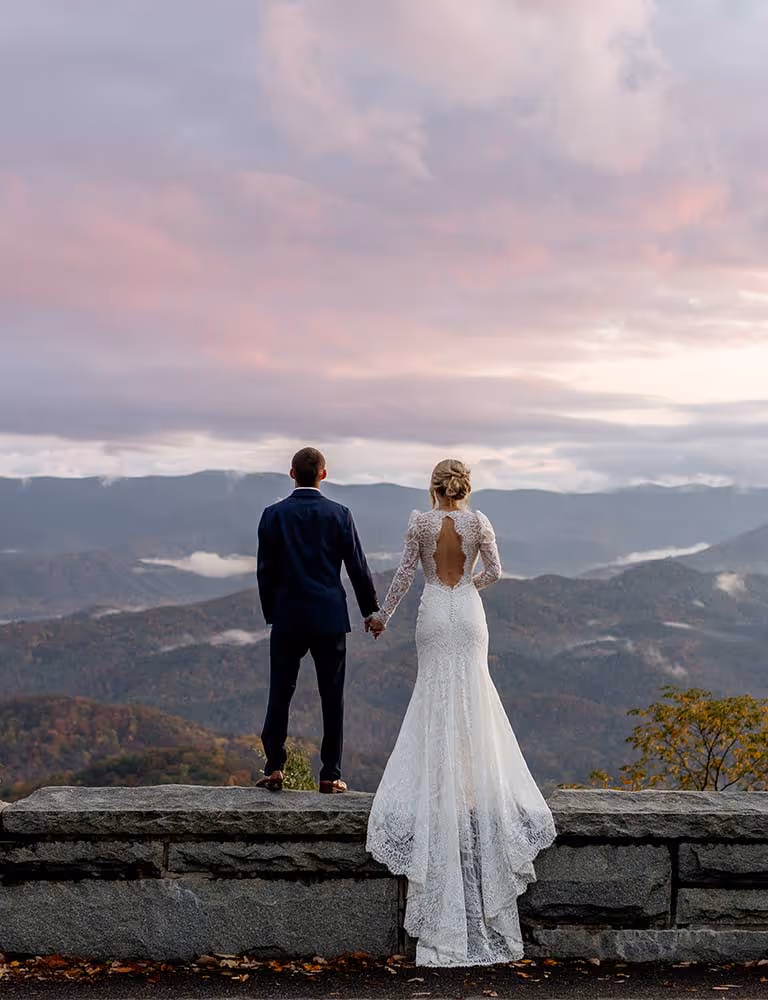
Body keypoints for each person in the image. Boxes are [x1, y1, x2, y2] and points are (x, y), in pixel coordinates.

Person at [365, 459, 557, 966]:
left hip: (433, 611)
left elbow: (407, 573)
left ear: (432, 488)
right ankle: (473, 789)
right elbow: (495, 571)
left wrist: (382, 615)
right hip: (468, 614)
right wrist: (470, 586)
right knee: (475, 697)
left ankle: (440, 789)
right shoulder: (479, 523)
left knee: (433, 698)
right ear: (466, 488)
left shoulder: (419, 522)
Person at [256, 447, 379, 793]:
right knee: (332, 696)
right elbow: (357, 567)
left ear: (292, 473)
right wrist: (370, 611)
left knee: (280, 692)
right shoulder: (339, 514)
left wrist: (272, 613)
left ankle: (275, 766)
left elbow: (265, 571)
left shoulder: (272, 516)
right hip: (329, 617)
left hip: (287, 617)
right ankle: (330, 774)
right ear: (323, 474)